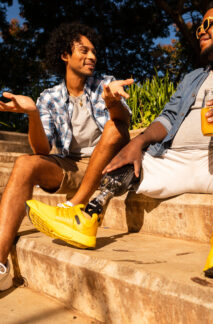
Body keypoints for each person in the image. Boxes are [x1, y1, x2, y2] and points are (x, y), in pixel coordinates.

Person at [26, 1, 213, 281]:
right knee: (126, 152)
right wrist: (138, 142)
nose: (200, 31)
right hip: (173, 160)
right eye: (199, 28)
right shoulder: (193, 77)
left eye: (208, 24)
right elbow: (167, 119)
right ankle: (87, 218)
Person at [0, 22, 133, 290]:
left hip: (107, 164)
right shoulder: (49, 97)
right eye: (84, 50)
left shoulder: (107, 84)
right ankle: (0, 262)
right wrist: (33, 114)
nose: (92, 56)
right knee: (25, 163)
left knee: (113, 126)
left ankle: (73, 208)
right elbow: (41, 151)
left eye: (94, 51)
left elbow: (123, 125)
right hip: (72, 166)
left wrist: (113, 103)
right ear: (65, 55)